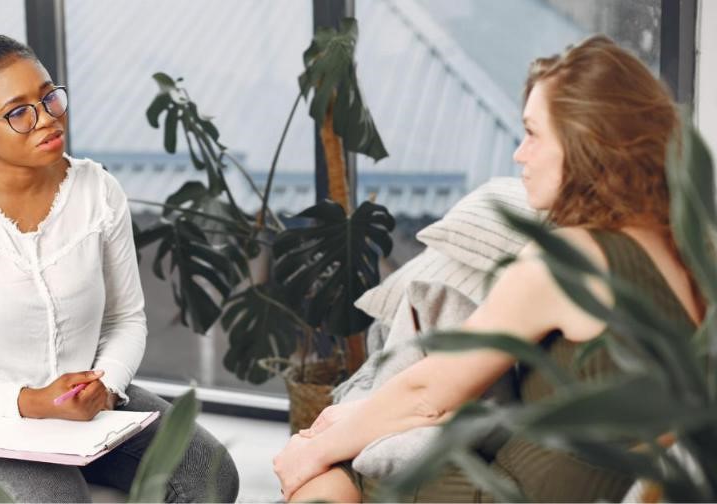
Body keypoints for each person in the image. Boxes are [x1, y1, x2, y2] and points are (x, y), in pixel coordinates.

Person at [273, 35, 704, 503]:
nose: (520, 154)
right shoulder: (688, 248)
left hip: (505, 492)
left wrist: (313, 451)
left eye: (534, 133)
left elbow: (428, 394)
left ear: (588, 141)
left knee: (329, 469)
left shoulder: (569, 256)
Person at [0, 34, 239, 502]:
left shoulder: (98, 190)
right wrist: (26, 402)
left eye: (49, 96)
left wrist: (107, 385)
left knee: (211, 478)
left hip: (80, 401)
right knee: (57, 500)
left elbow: (124, 320)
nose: (49, 118)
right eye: (20, 112)